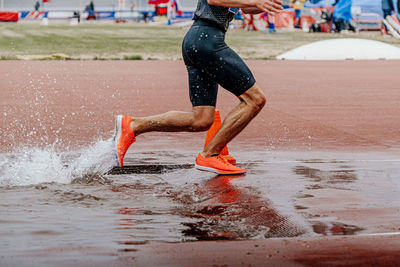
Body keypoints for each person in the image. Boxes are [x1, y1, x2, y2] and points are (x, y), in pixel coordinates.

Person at [113, 0, 283, 175]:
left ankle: (133, 125)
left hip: (199, 41)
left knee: (201, 119)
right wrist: (256, 1)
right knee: (254, 100)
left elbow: (246, 8)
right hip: (206, 42)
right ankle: (210, 155)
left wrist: (265, 5)